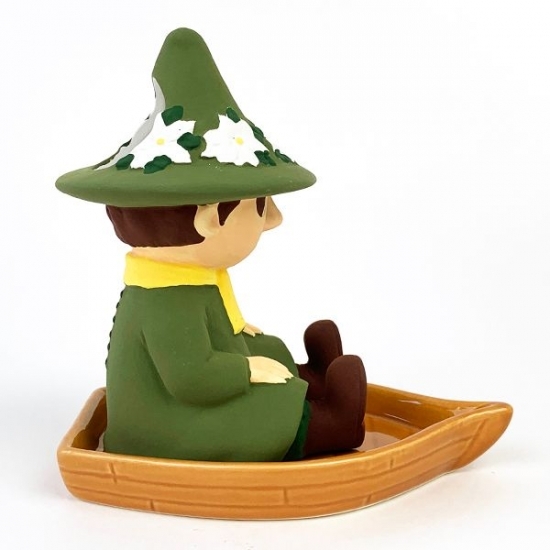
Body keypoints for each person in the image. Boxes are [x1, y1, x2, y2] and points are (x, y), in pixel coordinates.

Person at [56, 28, 366, 462]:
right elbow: (192, 379)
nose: (273, 219)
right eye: (260, 205)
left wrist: (248, 351)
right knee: (259, 405)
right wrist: (245, 369)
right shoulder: (166, 300)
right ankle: (333, 421)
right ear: (210, 218)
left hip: (185, 399)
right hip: (166, 424)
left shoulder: (185, 281)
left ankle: (311, 378)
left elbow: (213, 343)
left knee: (261, 345)